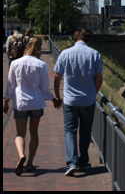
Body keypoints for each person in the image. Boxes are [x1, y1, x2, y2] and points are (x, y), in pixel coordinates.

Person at [3, 37, 62, 176]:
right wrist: (53, 98)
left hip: (21, 103)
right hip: (36, 103)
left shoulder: (16, 63)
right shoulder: (41, 65)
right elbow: (44, 88)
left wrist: (6, 102)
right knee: (34, 132)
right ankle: (29, 163)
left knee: (20, 133)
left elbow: (11, 85)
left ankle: (21, 155)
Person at [53, 29, 103, 176]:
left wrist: (56, 95)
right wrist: (94, 92)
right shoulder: (94, 54)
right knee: (86, 132)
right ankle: (83, 161)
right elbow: (99, 78)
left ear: (75, 39)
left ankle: (72, 163)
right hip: (88, 100)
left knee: (70, 131)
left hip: (70, 100)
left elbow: (57, 76)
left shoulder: (65, 53)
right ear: (88, 40)